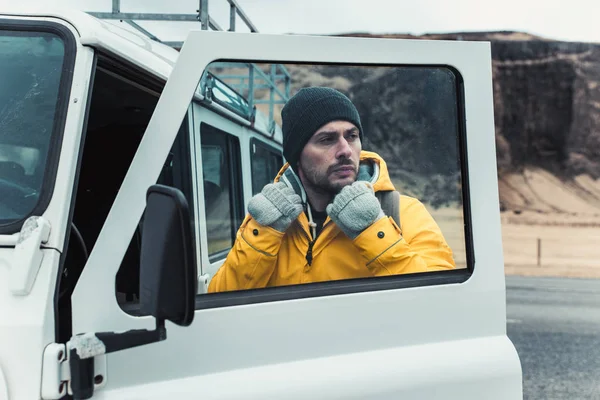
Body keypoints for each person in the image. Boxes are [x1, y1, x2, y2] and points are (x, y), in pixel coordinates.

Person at [208, 87, 455, 293]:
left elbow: (445, 304)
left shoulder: (403, 212)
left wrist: (373, 231)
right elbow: (219, 302)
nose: (345, 150)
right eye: (327, 140)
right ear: (297, 156)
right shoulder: (268, 219)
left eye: (352, 136)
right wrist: (262, 235)